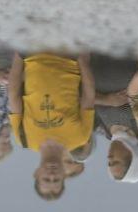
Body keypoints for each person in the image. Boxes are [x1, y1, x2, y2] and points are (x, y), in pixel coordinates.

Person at [9, 51, 96, 200]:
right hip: (69, 56)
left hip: (33, 54)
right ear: (64, 175)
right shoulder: (80, 138)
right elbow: (89, 97)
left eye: (46, 179)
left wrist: (18, 57)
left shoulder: (23, 139)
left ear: (36, 174)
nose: (52, 175)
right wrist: (82, 60)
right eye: (56, 180)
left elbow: (14, 96)